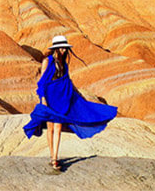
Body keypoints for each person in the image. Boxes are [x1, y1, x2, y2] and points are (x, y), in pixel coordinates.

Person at [23, 35, 117, 171]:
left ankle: (54, 158)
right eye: (61, 48)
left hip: (61, 98)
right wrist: (43, 99)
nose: (63, 50)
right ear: (55, 48)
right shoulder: (47, 61)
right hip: (49, 97)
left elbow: (68, 81)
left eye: (65, 48)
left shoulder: (64, 64)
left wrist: (78, 94)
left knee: (58, 128)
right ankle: (52, 157)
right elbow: (42, 82)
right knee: (50, 128)